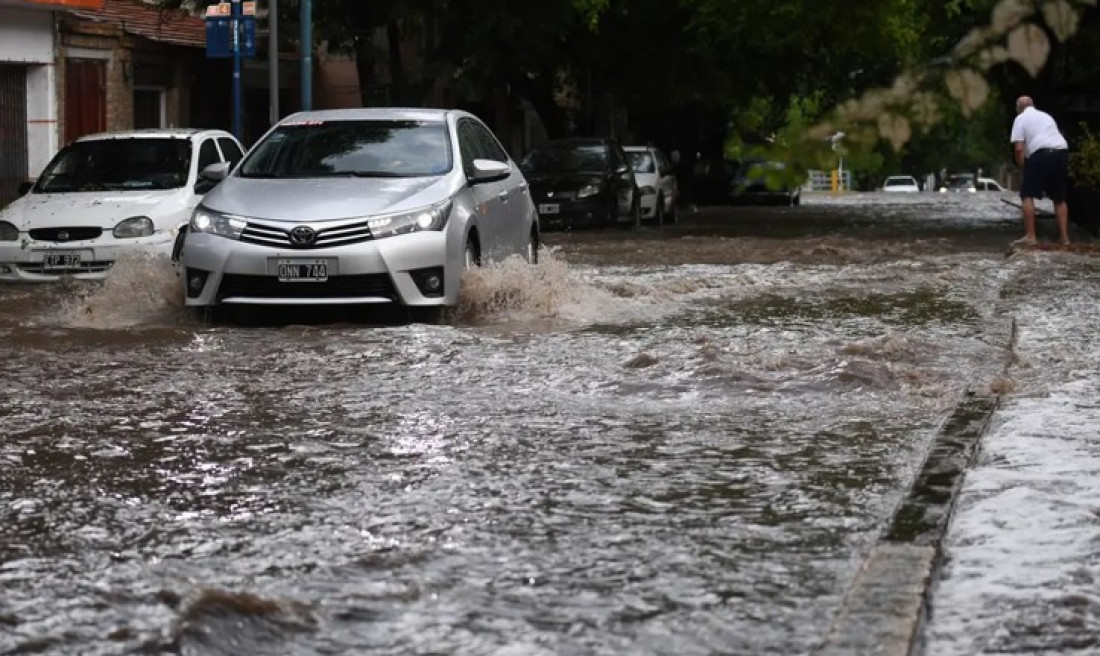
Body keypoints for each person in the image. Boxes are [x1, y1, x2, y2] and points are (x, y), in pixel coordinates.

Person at [1009, 95, 1070, 245]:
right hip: (1061, 152)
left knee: (1027, 194)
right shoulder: (1046, 116)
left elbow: (1018, 149)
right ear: (1033, 105)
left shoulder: (1020, 119)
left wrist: (1022, 165)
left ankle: (1031, 236)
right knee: (1059, 197)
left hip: (1040, 154)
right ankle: (1065, 237)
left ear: (1018, 109)